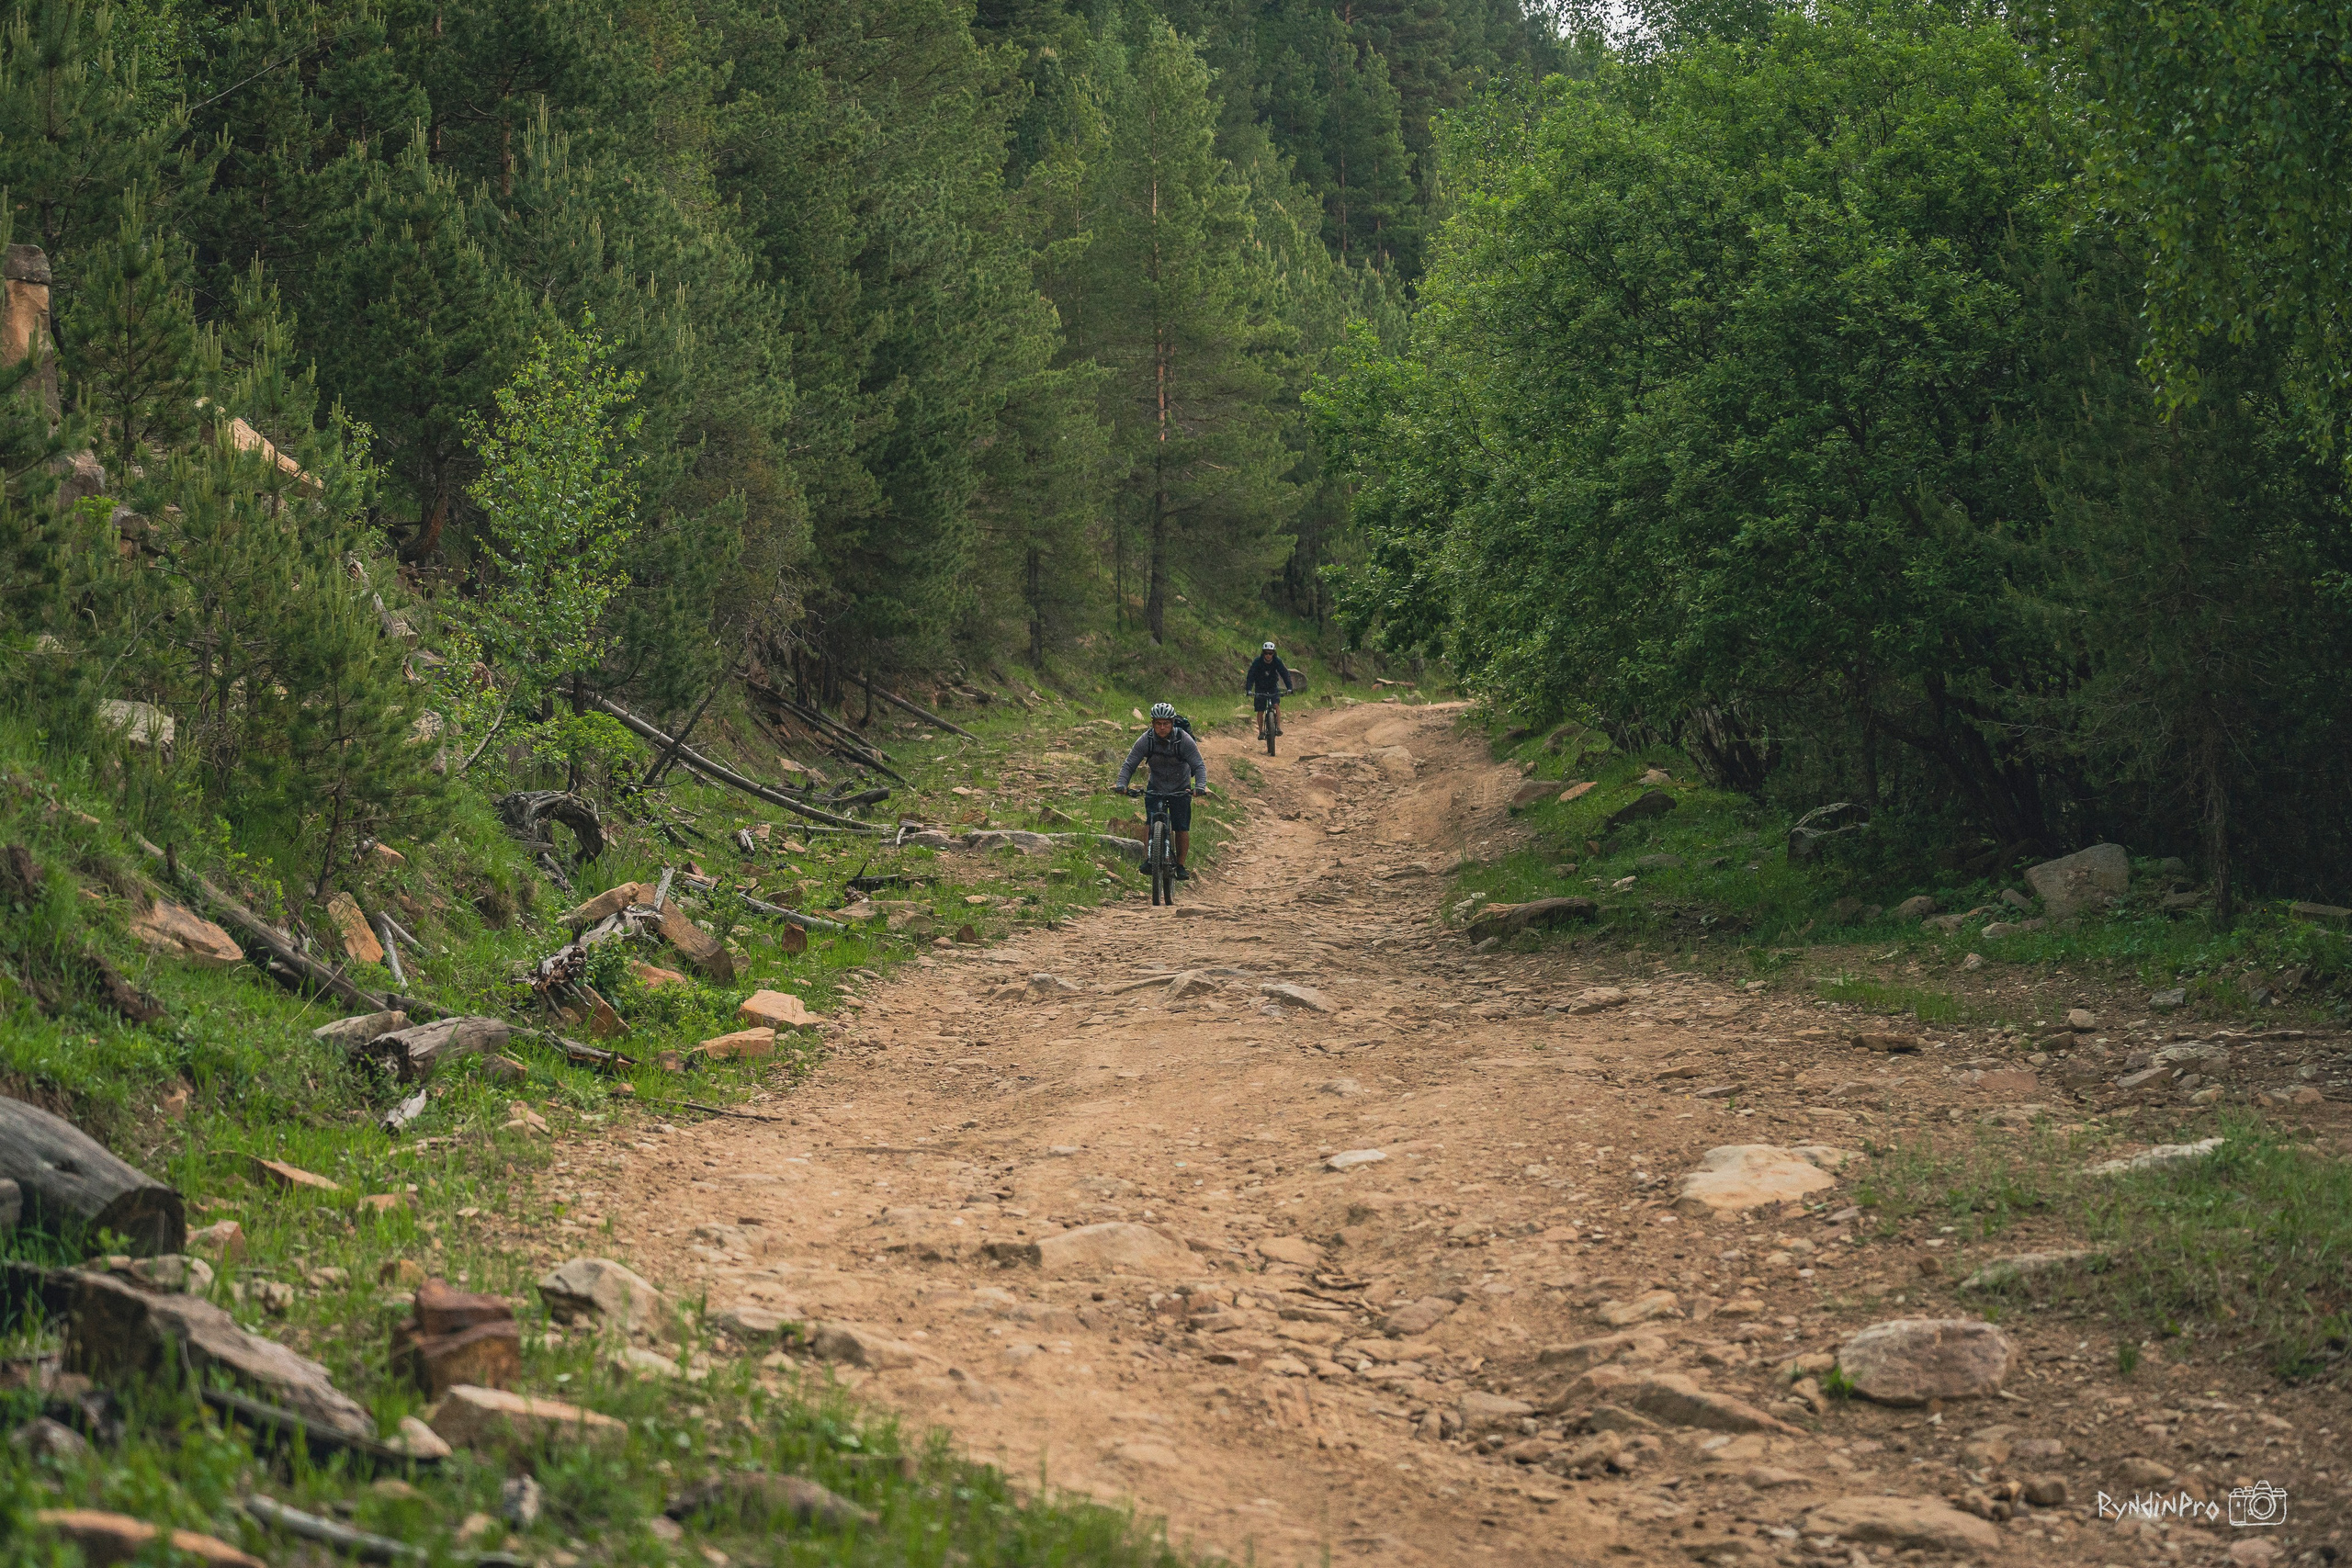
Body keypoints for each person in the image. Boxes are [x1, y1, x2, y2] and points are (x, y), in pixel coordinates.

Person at [1114, 702, 1209, 878]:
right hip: (1156, 786)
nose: (1162, 727)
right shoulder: (1146, 739)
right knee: (1150, 821)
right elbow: (1129, 764)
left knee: (1181, 826)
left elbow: (1199, 765)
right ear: (1152, 724)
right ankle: (1149, 859)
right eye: (1158, 723)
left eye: (1166, 723)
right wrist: (1122, 784)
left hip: (1181, 788)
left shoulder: (1183, 739)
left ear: (1172, 723)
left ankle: (1180, 865)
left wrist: (1200, 787)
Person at [1244, 640, 1295, 738]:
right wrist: (1249, 690)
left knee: (1276, 705)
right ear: (1263, 653)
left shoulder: (1277, 661)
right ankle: (1261, 732)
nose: (1268, 655)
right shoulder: (1257, 662)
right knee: (1260, 709)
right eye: (1266, 653)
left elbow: (1285, 674)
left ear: (1273, 653)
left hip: (1272, 686)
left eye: (1270, 653)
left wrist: (1289, 688)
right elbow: (1251, 675)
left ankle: (1278, 727)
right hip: (1260, 686)